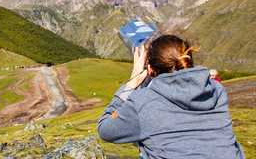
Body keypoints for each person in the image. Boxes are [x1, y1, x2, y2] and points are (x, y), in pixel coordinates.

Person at [98, 34, 245, 159]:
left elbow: (105, 129)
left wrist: (132, 83)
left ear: (150, 70)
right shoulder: (217, 91)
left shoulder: (142, 102)